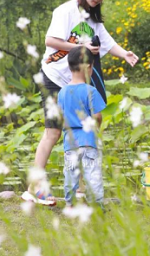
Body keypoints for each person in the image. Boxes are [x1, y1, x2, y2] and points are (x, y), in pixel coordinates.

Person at [22, 0, 139, 205]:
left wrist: (124, 54)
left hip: (77, 83)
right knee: (53, 132)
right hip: (55, 77)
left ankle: (81, 189)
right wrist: (81, 45)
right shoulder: (65, 11)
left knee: (85, 131)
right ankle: (34, 189)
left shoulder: (93, 19)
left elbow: (106, 42)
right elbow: (50, 41)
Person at [58, 47, 106, 207]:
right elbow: (97, 116)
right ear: (88, 67)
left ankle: (70, 205)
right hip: (88, 141)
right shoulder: (90, 91)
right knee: (92, 175)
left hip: (70, 143)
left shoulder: (62, 92)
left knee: (70, 175)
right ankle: (96, 206)